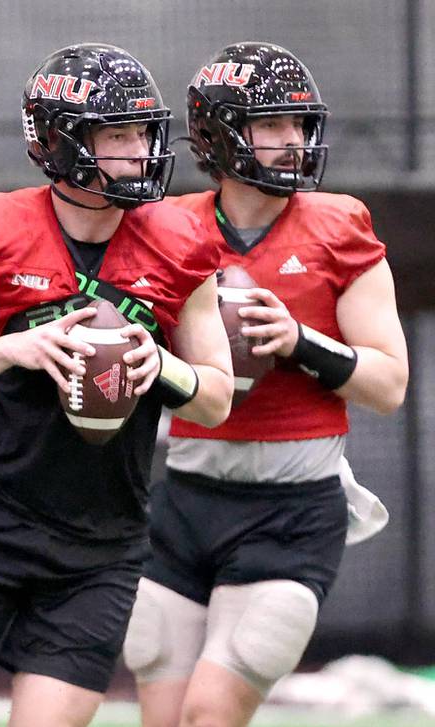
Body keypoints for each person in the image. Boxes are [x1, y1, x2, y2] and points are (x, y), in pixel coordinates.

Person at [0, 43, 233, 727]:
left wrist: (158, 365)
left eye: (143, 132)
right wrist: (6, 347)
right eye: (117, 134)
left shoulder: (178, 240)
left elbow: (219, 396)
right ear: (60, 140)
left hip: (101, 548)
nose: (139, 151)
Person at [122, 42, 409, 727]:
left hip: (292, 506)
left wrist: (300, 341)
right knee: (163, 717)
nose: (293, 142)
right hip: (188, 494)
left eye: (299, 125)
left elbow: (390, 383)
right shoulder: (167, 226)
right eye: (273, 125)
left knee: (209, 713)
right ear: (222, 134)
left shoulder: (339, 225)